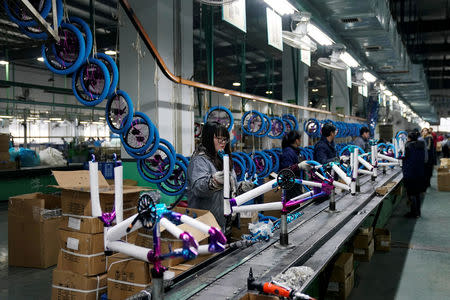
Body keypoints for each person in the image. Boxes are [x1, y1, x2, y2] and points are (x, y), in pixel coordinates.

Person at [187, 122, 253, 231]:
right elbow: (198, 188)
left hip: (224, 223)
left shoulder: (223, 159)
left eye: (225, 139)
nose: (223, 143)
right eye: (219, 139)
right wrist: (213, 182)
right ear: (208, 139)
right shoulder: (199, 161)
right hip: (206, 225)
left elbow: (228, 188)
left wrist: (240, 187)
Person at [279, 130, 311, 200]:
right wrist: (298, 166)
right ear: (296, 140)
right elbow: (284, 170)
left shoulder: (295, 151)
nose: (300, 141)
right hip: (291, 185)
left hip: (295, 183)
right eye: (300, 139)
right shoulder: (288, 152)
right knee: (292, 204)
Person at [402, 130, 426, 218]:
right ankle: (418, 212)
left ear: (409, 138)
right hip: (419, 172)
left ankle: (413, 213)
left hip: (410, 173)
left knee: (411, 193)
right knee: (417, 193)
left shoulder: (408, 146)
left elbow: (404, 157)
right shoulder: (421, 145)